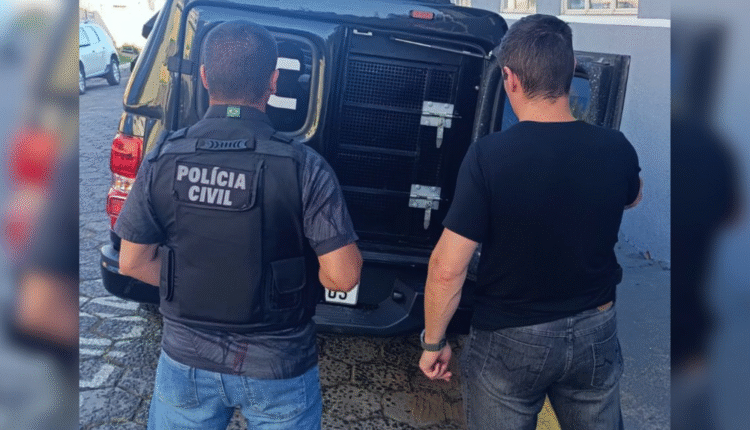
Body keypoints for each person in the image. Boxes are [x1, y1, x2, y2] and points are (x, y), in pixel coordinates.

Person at [116, 20, 361, 429]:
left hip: (185, 361)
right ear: (274, 82)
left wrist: (199, 283)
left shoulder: (164, 157)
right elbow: (343, 276)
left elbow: (131, 262)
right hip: (278, 364)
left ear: (204, 77)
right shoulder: (305, 167)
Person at [418, 14, 642, 430]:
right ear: (571, 68)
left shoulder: (488, 157)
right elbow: (633, 196)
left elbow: (447, 268)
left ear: (510, 78)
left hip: (510, 336)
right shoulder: (617, 147)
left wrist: (434, 341)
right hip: (596, 327)